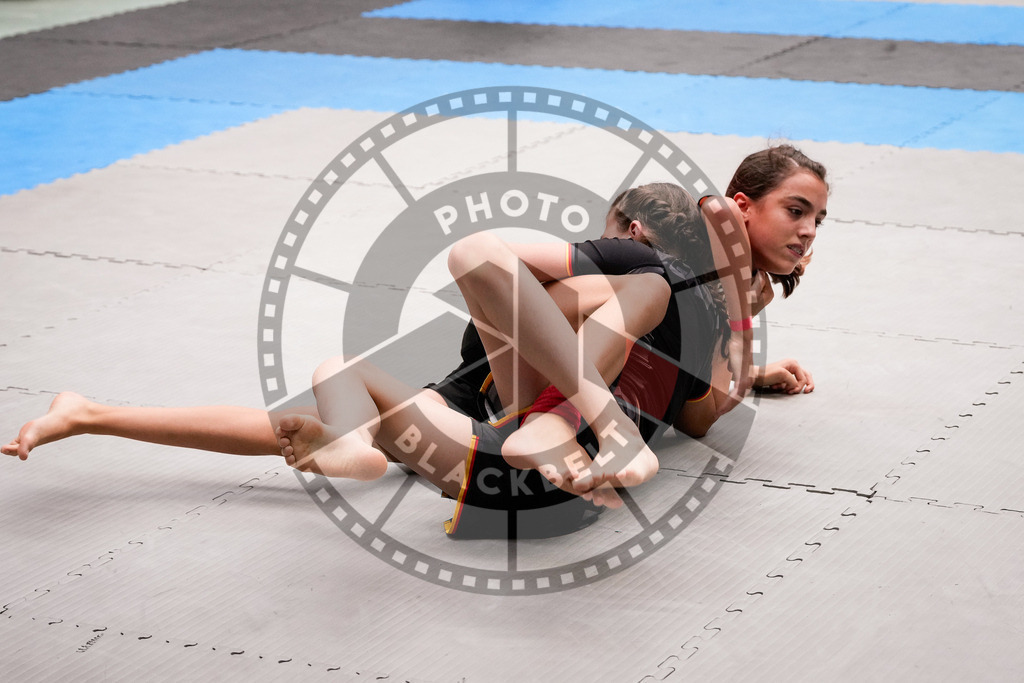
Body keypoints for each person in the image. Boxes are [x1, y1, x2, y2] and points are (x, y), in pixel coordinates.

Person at [4, 145, 826, 535]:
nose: (810, 231)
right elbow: (694, 391)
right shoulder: (646, 295)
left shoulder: (643, 280)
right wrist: (740, 347)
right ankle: (96, 413)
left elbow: (685, 379)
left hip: (472, 419)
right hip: (492, 437)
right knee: (356, 403)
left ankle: (95, 413)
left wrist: (746, 358)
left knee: (332, 410)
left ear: (635, 228)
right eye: (800, 213)